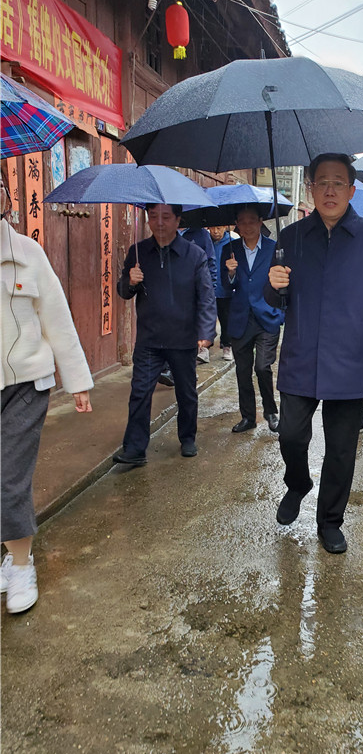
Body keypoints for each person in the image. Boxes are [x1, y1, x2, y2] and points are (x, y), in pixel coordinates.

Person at [265, 153, 363, 554]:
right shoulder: (291, 237)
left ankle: (329, 521)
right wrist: (273, 284)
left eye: (338, 182)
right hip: (301, 356)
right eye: (322, 182)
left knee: (342, 450)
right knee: (290, 434)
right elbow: (273, 298)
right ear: (311, 187)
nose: (330, 190)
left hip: (350, 357)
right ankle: (297, 483)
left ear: (351, 190)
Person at [1, 171, 93, 614]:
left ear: (6, 196)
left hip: (26, 384)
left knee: (8, 478)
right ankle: (10, 554)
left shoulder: (27, 254)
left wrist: (78, 382)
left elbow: (57, 319)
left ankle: (21, 565)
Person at [114, 203, 216, 465]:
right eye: (153, 216)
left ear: (178, 220)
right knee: (140, 392)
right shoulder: (138, 252)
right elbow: (123, 292)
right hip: (149, 339)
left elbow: (206, 296)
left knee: (186, 393)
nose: (159, 222)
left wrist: (206, 331)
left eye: (166, 217)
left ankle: (188, 437)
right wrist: (130, 281)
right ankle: (135, 449)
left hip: (183, 338)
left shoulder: (194, 255)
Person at [221, 205, 283, 434]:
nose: (247, 226)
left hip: (267, 316)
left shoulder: (274, 248)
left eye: (251, 221)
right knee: (242, 371)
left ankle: (270, 411)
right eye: (242, 222)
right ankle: (248, 417)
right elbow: (226, 287)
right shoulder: (230, 249)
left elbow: (284, 283)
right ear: (237, 224)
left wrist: (281, 313)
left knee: (263, 367)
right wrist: (230, 273)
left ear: (260, 222)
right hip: (240, 318)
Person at [181, 224, 217, 366]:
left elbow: (211, 262)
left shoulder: (202, 234)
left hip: (196, 290)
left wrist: (211, 289)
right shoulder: (168, 234)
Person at [210, 225, 234, 361]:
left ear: (225, 227)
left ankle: (227, 345)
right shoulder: (206, 242)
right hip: (208, 289)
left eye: (218, 228)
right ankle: (205, 347)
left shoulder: (231, 243)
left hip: (225, 289)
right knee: (207, 318)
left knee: (226, 319)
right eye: (212, 228)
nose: (215, 231)